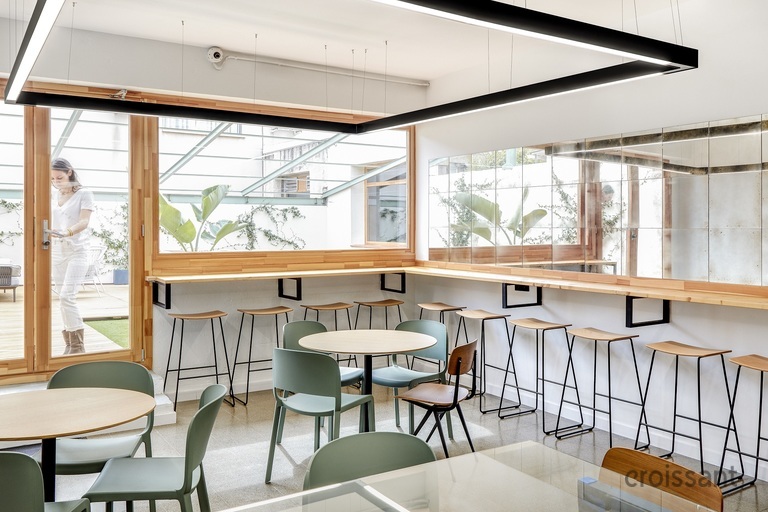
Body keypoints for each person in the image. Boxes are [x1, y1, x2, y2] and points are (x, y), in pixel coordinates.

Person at [50, 158, 95, 354]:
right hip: (57, 252)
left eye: (59, 177)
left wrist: (66, 232)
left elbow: (84, 221)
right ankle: (70, 344)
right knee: (62, 298)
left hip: (77, 251)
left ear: (69, 172)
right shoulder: (53, 196)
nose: (56, 181)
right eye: (52, 179)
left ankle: (77, 347)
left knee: (67, 297)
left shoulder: (84, 193)